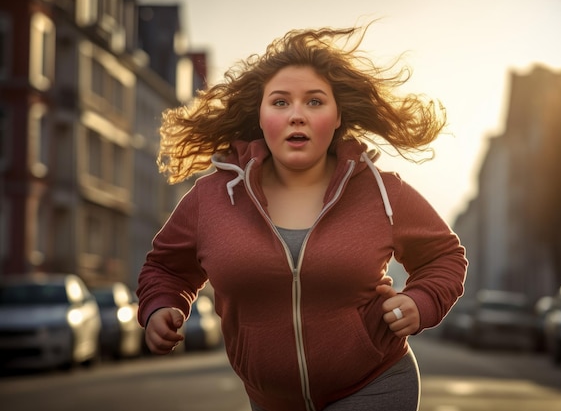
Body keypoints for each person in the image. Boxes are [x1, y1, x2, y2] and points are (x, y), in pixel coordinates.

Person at [136, 24, 467, 411]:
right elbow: (165, 268)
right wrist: (162, 306)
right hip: (270, 400)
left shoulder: (381, 191)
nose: (297, 115)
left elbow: (444, 257)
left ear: (338, 115)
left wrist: (421, 300)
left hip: (375, 385)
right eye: (280, 102)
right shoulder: (211, 198)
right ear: (259, 117)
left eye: (314, 102)